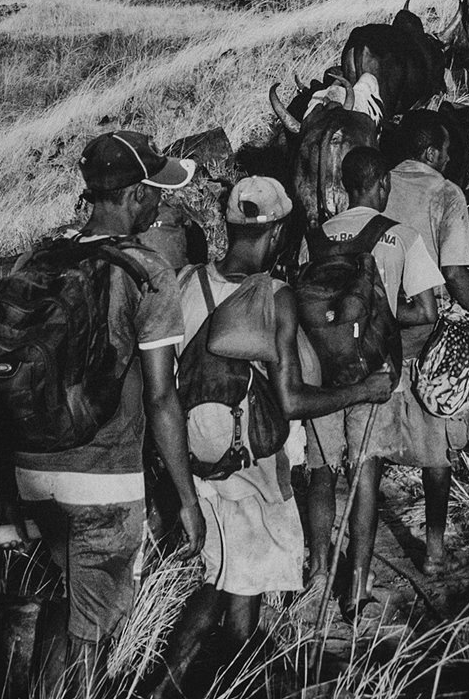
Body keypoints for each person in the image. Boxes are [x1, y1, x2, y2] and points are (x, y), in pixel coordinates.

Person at [143, 177, 393, 699]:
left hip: (190, 462)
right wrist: (364, 390)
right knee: (232, 593)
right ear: (277, 233)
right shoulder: (273, 297)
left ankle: (192, 685)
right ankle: (174, 688)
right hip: (251, 471)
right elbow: (293, 402)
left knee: (226, 584)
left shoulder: (185, 282)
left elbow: (159, 389)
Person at [14, 131, 206, 697]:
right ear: (130, 196)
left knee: (59, 610)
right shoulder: (148, 272)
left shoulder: (43, 257)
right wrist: (187, 499)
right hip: (103, 480)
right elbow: (161, 397)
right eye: (154, 191)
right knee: (94, 635)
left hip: (33, 471)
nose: (160, 204)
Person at [293, 146, 443, 622]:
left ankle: (317, 574)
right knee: (366, 475)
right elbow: (425, 313)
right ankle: (357, 584)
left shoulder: (313, 238)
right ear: (383, 185)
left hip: (321, 374)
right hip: (376, 374)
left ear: (344, 185)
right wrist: (378, 315)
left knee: (322, 473)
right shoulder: (400, 236)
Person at [383, 109, 469, 575]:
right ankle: (432, 550)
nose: (450, 158)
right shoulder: (446, 194)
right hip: (424, 335)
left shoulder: (377, 182)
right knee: (437, 448)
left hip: (372, 330)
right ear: (431, 152)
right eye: (446, 151)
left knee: (369, 450)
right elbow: (454, 273)